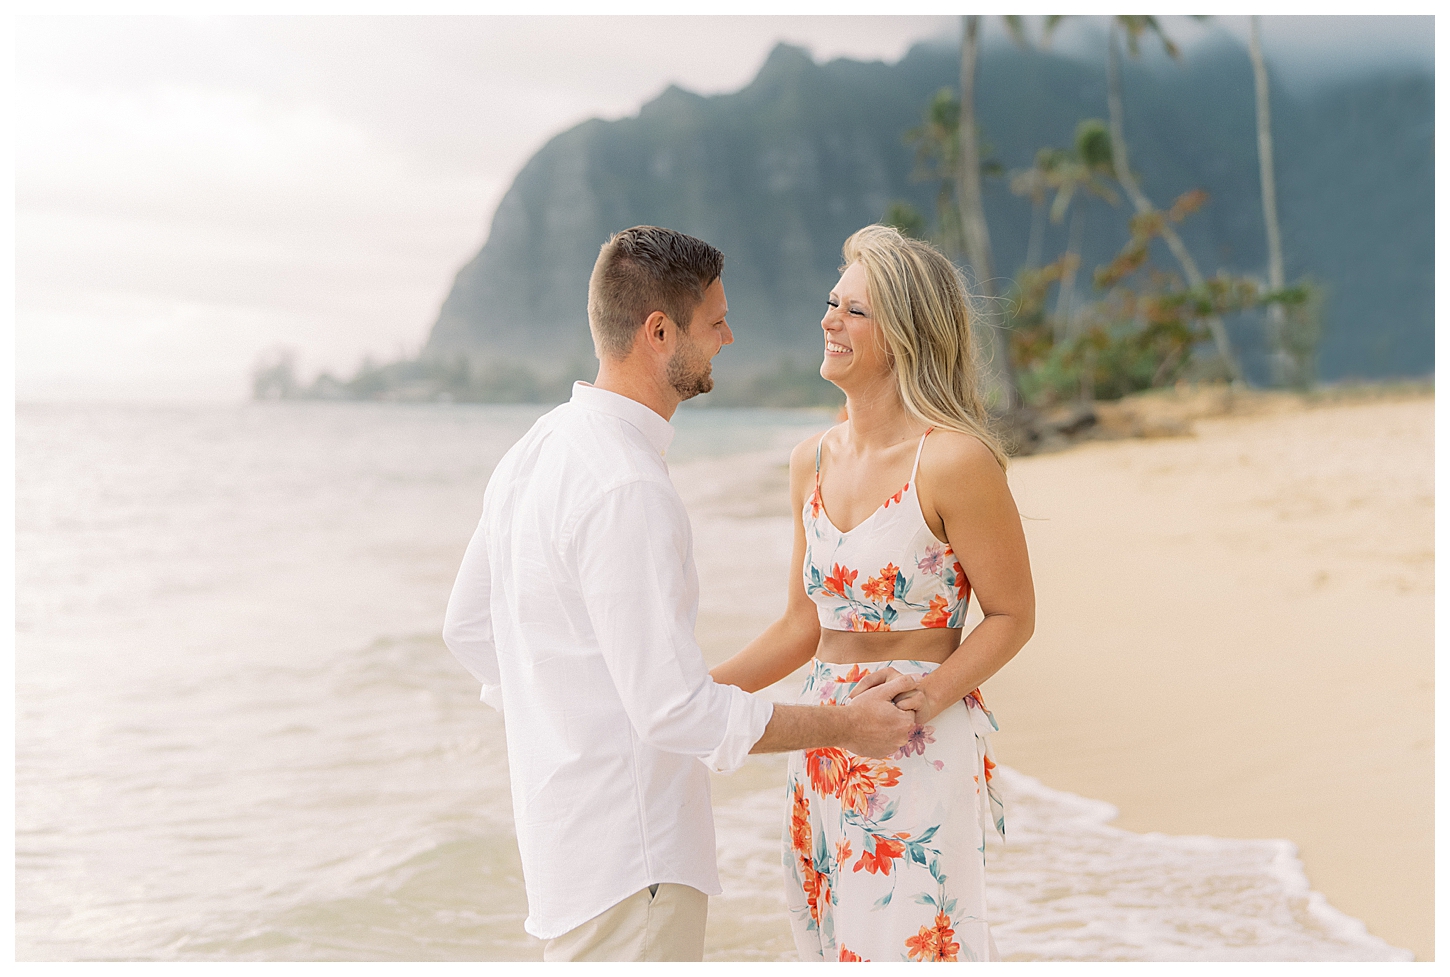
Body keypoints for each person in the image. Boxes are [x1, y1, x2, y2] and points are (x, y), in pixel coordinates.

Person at [442, 225, 923, 963]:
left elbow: (469, 628)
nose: (730, 336)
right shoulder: (626, 483)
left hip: (562, 843)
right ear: (658, 331)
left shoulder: (538, 447)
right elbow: (673, 710)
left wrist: (570, 719)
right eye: (715, 320)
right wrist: (848, 726)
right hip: (635, 859)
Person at [710, 224, 1036, 962]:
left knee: (908, 949)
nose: (829, 319)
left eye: (855, 309)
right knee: (826, 942)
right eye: (832, 301)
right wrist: (690, 699)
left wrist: (927, 695)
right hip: (823, 737)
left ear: (905, 332)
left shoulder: (955, 459)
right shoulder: (810, 460)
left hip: (916, 734)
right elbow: (801, 625)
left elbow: (1013, 614)